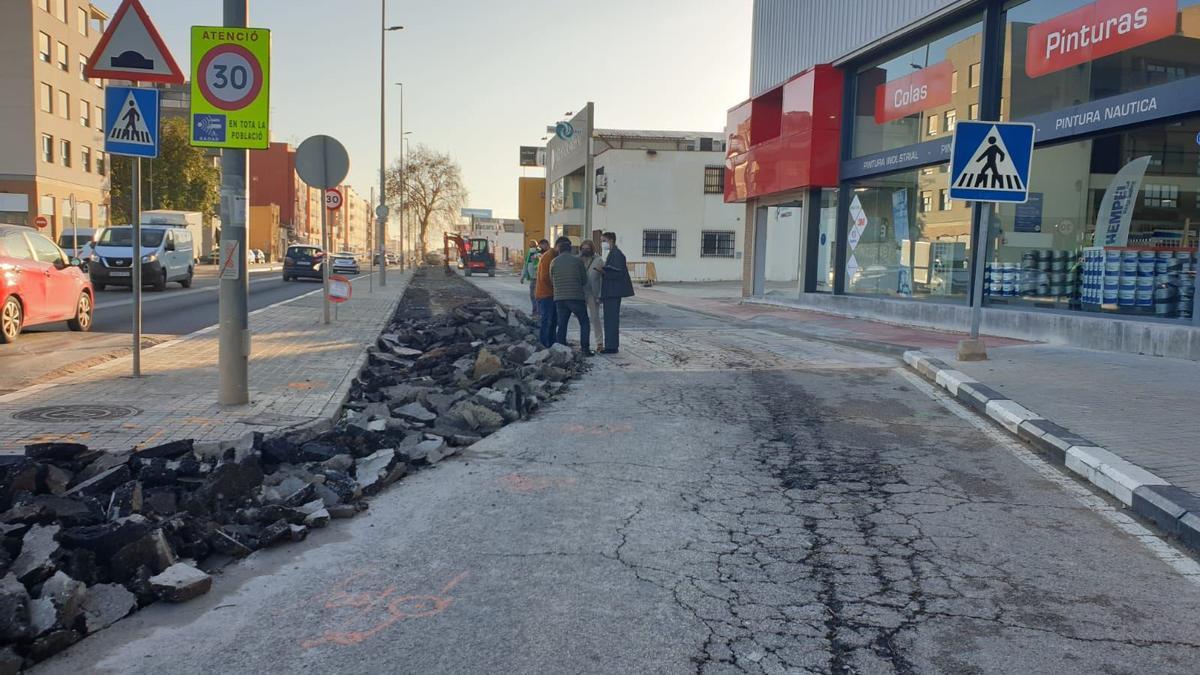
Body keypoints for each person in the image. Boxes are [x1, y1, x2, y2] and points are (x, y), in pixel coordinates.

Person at [549, 237, 593, 356]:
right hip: (576, 298)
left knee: (562, 324)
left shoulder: (554, 262)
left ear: (559, 250)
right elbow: (584, 280)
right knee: (584, 322)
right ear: (571, 250)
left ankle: (561, 350)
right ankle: (585, 349)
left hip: (559, 298)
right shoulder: (577, 261)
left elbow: (551, 280)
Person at [599, 231, 634, 354]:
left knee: (611, 319)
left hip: (613, 292)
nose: (603, 244)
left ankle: (611, 346)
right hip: (610, 291)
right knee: (609, 319)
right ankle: (610, 344)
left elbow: (617, 273)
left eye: (604, 241)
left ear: (611, 241)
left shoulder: (617, 254)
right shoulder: (612, 253)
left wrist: (604, 272)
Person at [580, 240, 605, 353]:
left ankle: (599, 342)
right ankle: (584, 344)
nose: (585, 250)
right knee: (582, 320)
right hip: (580, 293)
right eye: (583, 248)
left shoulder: (598, 260)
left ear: (592, 249)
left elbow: (603, 278)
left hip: (593, 294)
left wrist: (600, 295)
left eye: (587, 248)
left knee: (595, 318)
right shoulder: (577, 260)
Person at [534, 238, 558, 347]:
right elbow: (545, 277)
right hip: (546, 294)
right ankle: (544, 343)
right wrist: (556, 286)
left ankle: (551, 342)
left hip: (547, 293)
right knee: (547, 320)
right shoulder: (549, 257)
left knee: (552, 320)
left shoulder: (549, 255)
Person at [520, 240, 543, 316]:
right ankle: (536, 312)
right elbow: (525, 266)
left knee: (535, 296)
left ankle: (537, 312)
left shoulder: (539, 252)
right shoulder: (530, 253)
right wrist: (522, 277)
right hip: (536, 278)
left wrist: (522, 277)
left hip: (538, 278)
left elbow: (525, 266)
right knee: (535, 296)